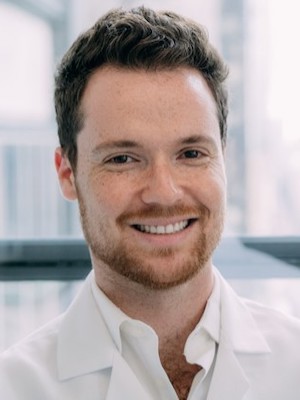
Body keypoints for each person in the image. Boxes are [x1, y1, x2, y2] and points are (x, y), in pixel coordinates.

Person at [1, 6, 300, 400]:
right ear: (67, 173)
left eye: (191, 153)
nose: (164, 192)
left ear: (225, 160)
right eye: (122, 158)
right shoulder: (15, 386)